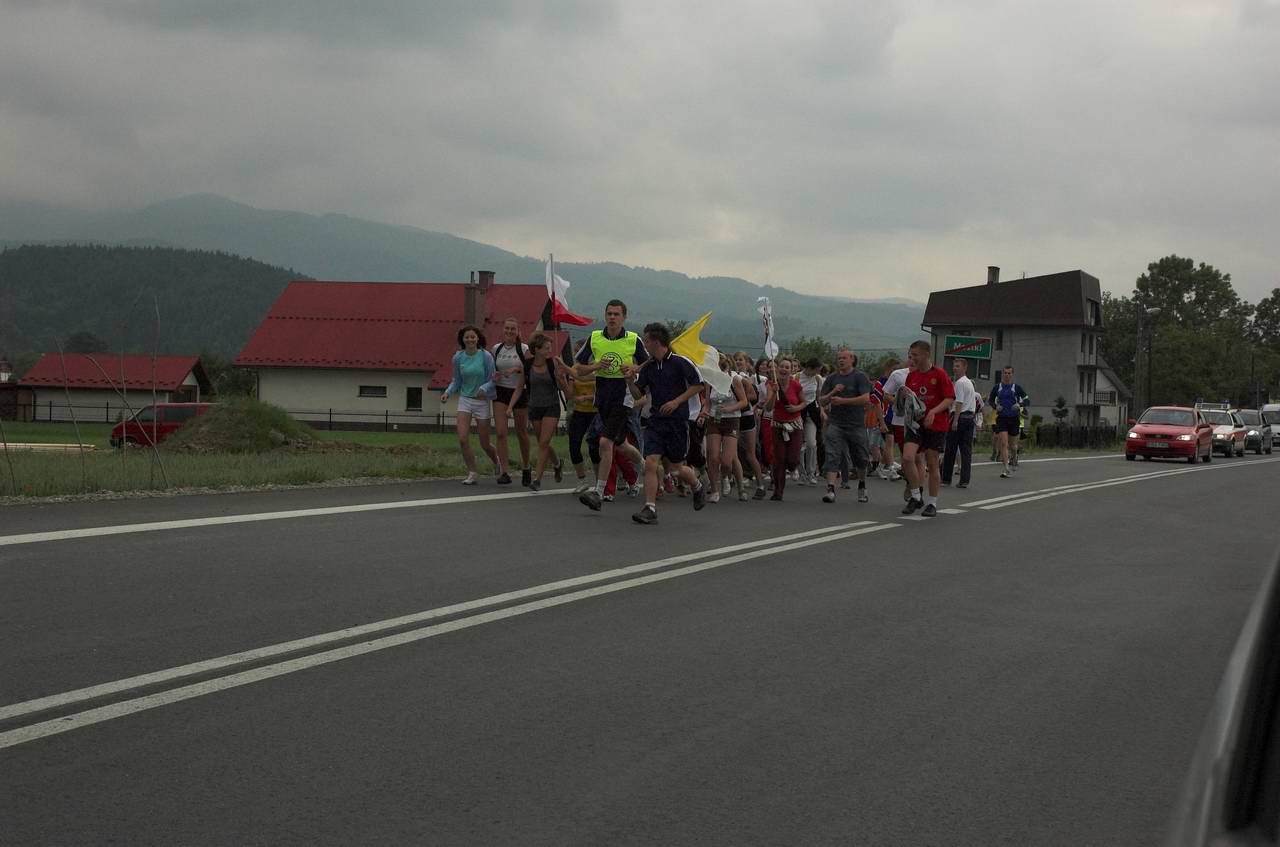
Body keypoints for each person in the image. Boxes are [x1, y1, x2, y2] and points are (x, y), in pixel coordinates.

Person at [625, 323, 707, 524]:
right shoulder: (649, 367)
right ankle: (650, 508)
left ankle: (697, 486)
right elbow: (638, 394)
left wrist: (677, 401)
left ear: (656, 341)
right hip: (656, 422)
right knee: (651, 462)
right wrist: (629, 381)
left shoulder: (680, 362)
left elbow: (698, 385)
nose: (644, 345)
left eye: (646, 340)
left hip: (678, 422)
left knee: (676, 469)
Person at [575, 300, 648, 511]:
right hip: (603, 397)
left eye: (616, 314)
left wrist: (633, 368)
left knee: (605, 442)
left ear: (624, 317)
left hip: (623, 397)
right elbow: (578, 368)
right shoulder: (595, 338)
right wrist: (597, 365)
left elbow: (648, 364)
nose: (612, 317)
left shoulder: (633, 339)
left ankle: (599, 492)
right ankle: (646, 466)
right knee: (621, 443)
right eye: (609, 314)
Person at [508, 333, 569, 491]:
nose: (550, 351)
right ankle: (557, 463)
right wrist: (510, 407)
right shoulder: (527, 366)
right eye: (546, 348)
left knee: (543, 443)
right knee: (543, 442)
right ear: (537, 349)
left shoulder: (553, 364)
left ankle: (537, 479)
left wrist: (560, 378)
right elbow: (519, 387)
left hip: (551, 406)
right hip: (534, 407)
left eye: (550, 347)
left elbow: (563, 387)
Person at [900, 340, 955, 517]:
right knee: (907, 458)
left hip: (936, 424)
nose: (912, 358)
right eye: (911, 355)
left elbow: (949, 398)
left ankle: (932, 503)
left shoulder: (939, 374)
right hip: (916, 424)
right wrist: (905, 398)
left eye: (916, 355)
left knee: (932, 463)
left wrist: (933, 411)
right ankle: (916, 496)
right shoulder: (911, 376)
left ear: (926, 355)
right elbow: (911, 400)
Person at [441, 324, 500, 485]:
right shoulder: (458, 358)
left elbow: (493, 379)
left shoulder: (486, 356)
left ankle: (497, 461)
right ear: (463, 340)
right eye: (467, 337)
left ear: (478, 338)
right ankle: (472, 472)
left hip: (481, 401)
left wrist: (484, 388)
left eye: (473, 337)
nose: (470, 340)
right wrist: (447, 392)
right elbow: (456, 380)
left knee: (484, 443)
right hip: (465, 399)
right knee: (462, 439)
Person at [818, 348, 872, 504]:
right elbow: (821, 401)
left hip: (856, 424)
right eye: (839, 358)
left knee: (861, 457)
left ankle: (862, 485)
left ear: (852, 359)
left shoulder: (860, 377)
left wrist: (843, 401)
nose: (841, 360)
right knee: (832, 455)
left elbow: (865, 398)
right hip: (836, 423)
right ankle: (830, 489)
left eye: (844, 358)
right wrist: (833, 392)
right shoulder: (832, 378)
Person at [490, 318, 532, 486]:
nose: (509, 331)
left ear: (518, 331)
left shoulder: (524, 349)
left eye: (512, 329)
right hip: (501, 391)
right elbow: (491, 369)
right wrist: (495, 376)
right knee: (501, 433)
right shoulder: (496, 349)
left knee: (521, 432)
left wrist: (516, 369)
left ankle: (526, 466)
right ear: (503, 329)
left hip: (519, 391)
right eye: (507, 328)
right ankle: (505, 471)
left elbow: (531, 368)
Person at [705, 355, 749, 503]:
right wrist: (703, 413)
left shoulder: (734, 380)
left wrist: (730, 408)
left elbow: (744, 401)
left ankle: (728, 478)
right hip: (715, 419)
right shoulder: (710, 381)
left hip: (732, 420)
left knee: (727, 461)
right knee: (713, 457)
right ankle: (714, 490)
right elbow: (707, 403)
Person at [765, 358, 807, 501]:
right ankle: (778, 491)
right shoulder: (771, 385)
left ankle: (793, 467)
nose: (784, 369)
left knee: (793, 458)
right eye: (781, 366)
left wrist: (795, 408)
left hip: (795, 425)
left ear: (791, 370)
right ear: (777, 369)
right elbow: (768, 408)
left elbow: (804, 402)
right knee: (779, 460)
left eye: (787, 367)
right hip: (778, 425)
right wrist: (773, 393)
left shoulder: (796, 385)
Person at [566, 339, 600, 494]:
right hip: (579, 411)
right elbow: (570, 394)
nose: (577, 355)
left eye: (579, 351)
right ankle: (582, 480)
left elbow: (603, 392)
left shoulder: (598, 368)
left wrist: (587, 397)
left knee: (595, 448)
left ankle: (600, 482)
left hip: (596, 412)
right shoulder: (575, 369)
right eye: (575, 352)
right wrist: (562, 380)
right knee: (574, 445)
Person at [734, 351, 767, 499]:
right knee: (732, 453)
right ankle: (736, 484)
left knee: (750, 454)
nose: (738, 362)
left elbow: (754, 397)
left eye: (741, 359)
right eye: (736, 359)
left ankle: (760, 485)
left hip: (746, 416)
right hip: (732, 416)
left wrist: (740, 397)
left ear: (747, 363)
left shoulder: (749, 378)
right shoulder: (729, 375)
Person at [988, 366, 1030, 478]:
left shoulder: (1016, 388)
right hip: (1001, 418)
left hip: (1014, 419)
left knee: (1013, 446)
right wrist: (995, 406)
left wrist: (1019, 404)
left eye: (1009, 373)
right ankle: (1006, 468)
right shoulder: (997, 387)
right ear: (1002, 374)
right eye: (1005, 373)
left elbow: (1027, 399)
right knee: (1003, 444)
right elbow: (990, 400)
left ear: (1012, 374)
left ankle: (1014, 456)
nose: (1007, 375)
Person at [942, 357, 977, 488]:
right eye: (954, 366)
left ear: (965, 368)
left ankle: (946, 479)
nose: (955, 368)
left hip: (960, 417)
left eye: (958, 366)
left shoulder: (960, 383)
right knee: (966, 450)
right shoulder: (969, 383)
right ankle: (964, 480)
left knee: (950, 449)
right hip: (969, 417)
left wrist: (955, 420)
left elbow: (959, 402)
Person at [797, 358, 823, 485]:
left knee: (812, 443)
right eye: (817, 369)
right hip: (798, 413)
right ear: (810, 368)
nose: (819, 372)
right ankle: (801, 473)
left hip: (811, 414)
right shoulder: (796, 377)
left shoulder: (817, 379)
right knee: (800, 445)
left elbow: (818, 397)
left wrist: (822, 411)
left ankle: (811, 472)